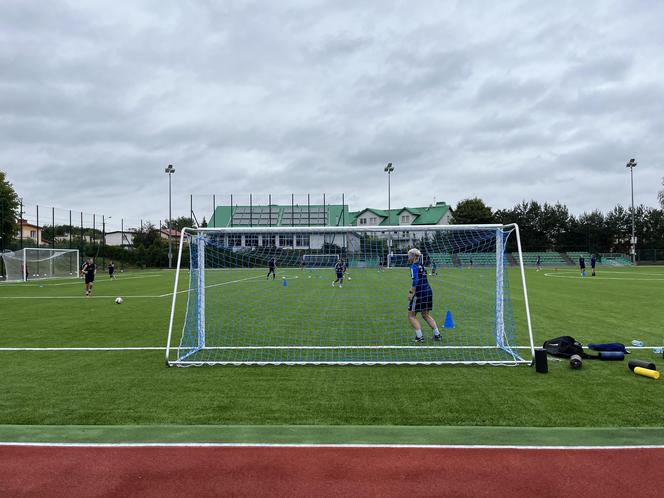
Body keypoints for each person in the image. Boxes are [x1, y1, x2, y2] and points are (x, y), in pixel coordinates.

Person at [407, 248, 441, 342]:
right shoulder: (422, 266)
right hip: (428, 291)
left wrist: (411, 293)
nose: (408, 257)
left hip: (420, 293)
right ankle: (437, 335)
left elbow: (415, 280)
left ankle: (419, 337)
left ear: (414, 256)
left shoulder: (413, 266)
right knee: (425, 314)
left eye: (409, 255)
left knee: (411, 315)